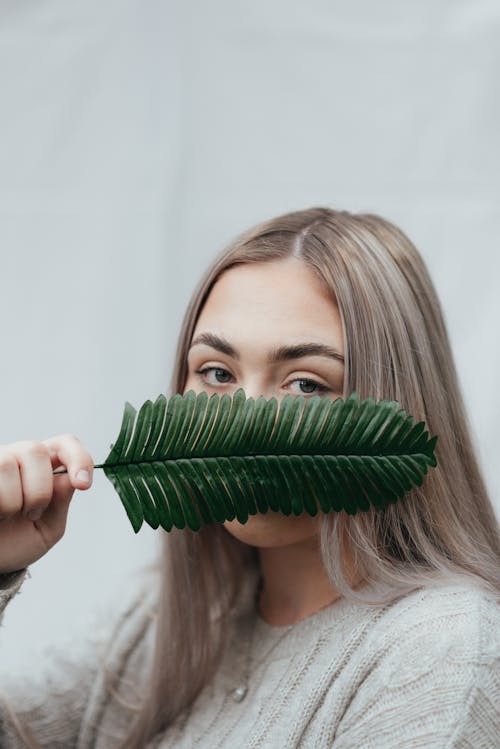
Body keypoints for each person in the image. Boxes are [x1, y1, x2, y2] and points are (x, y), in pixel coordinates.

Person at [0, 206, 499, 748]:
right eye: (217, 373)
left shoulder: (438, 652)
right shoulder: (162, 617)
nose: (243, 425)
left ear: (398, 411)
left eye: (306, 384)